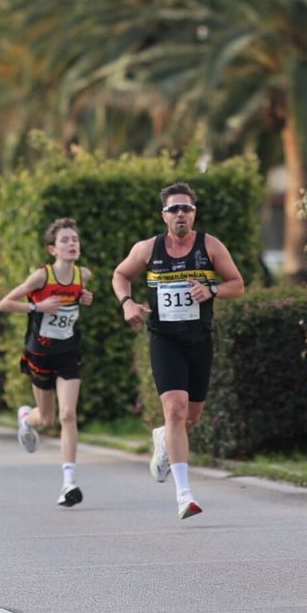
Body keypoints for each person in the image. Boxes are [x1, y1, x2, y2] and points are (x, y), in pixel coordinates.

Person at [112, 183, 246, 520]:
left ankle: (163, 440)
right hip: (164, 339)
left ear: (194, 213)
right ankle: (184, 494)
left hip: (199, 339)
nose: (180, 214)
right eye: (174, 210)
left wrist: (211, 288)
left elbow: (237, 284)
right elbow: (121, 274)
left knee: (191, 417)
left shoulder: (209, 246)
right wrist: (127, 303)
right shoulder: (148, 249)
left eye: (186, 208)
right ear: (164, 216)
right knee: (175, 409)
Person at [0, 217, 93, 506]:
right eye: (65, 240)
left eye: (74, 239)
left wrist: (84, 298)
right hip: (40, 355)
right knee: (47, 418)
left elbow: (76, 301)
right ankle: (26, 418)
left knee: (67, 415)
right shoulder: (41, 277)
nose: (71, 244)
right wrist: (36, 306)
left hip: (68, 353)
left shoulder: (83, 275)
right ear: (52, 249)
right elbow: (4, 303)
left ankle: (69, 483)